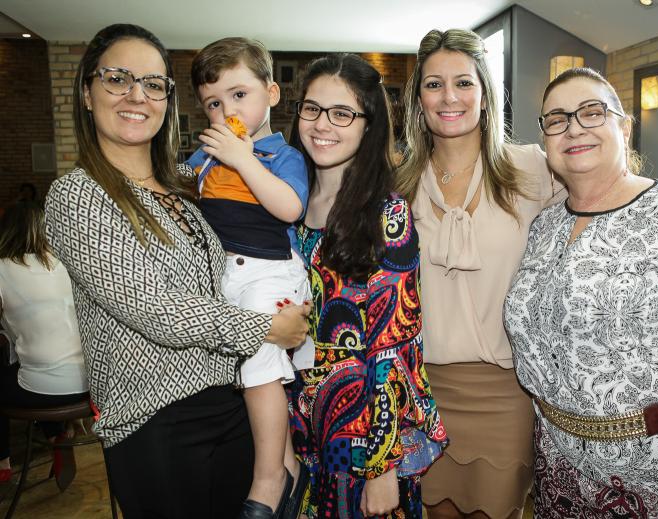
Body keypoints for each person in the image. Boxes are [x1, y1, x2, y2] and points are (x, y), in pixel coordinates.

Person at [396, 28, 658, 519]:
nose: (449, 96)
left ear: (485, 94)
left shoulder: (531, 168)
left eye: (464, 82)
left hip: (507, 396)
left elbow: (611, 187)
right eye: (434, 84)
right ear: (418, 99)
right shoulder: (399, 181)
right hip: (425, 390)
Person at [44, 24, 309, 519]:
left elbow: (266, 219)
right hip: (155, 420)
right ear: (86, 93)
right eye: (117, 79)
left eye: (153, 83)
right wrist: (267, 327)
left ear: (166, 100)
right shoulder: (78, 194)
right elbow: (155, 309)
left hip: (232, 402)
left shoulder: (187, 184)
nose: (136, 96)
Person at [503, 67, 658, 518]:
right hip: (560, 469)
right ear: (545, 141)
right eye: (557, 119)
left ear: (624, 128)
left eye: (592, 112)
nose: (574, 128)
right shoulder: (543, 226)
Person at [286, 53, 447, 518]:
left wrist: (381, 468)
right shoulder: (286, 206)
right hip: (298, 431)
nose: (322, 124)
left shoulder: (387, 215)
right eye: (312, 109)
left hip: (362, 442)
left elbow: (395, 347)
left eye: (342, 113)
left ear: (368, 125)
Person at [186, 36, 313, 519]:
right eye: (214, 103)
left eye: (239, 95)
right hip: (225, 276)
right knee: (251, 374)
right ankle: (288, 464)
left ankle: (268, 478)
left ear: (271, 94)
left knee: (259, 369)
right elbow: (180, 191)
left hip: (271, 271)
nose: (227, 111)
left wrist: (242, 158)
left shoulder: (282, 156)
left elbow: (290, 207)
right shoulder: (206, 155)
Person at [0, 200, 89, 488]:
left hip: (43, 387)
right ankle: (56, 436)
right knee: (34, 369)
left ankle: (2, 462)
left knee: (23, 374)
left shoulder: (2, 268)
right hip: (93, 384)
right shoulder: (69, 262)